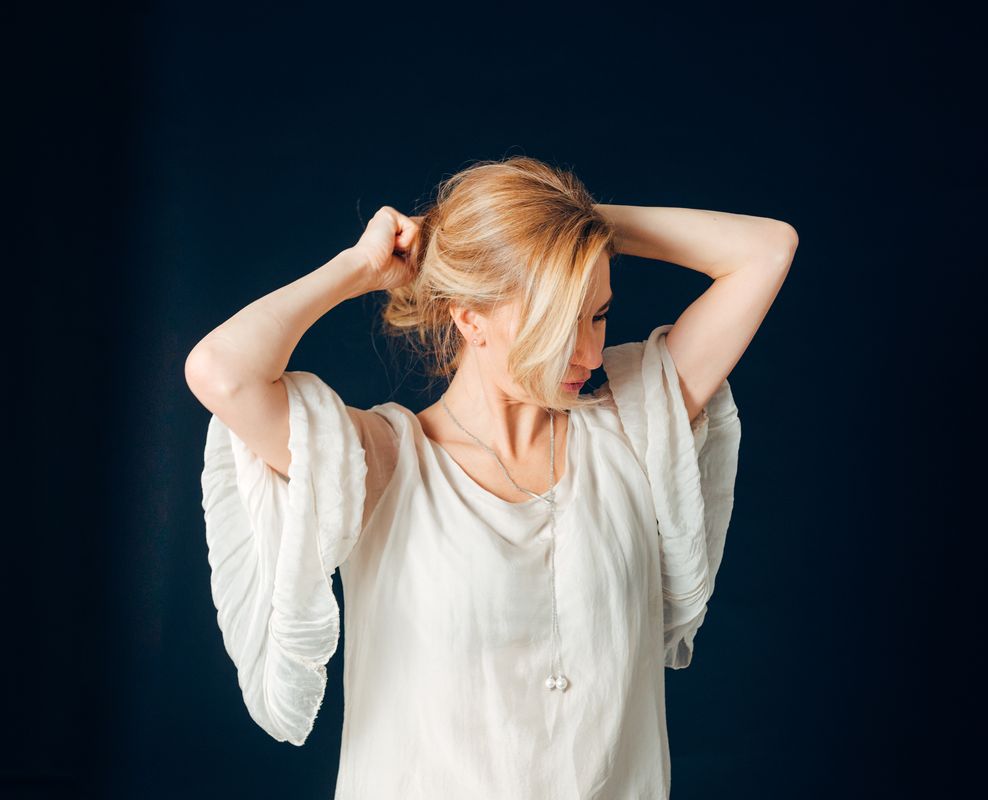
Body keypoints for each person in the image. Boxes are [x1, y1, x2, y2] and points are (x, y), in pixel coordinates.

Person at [185, 155, 797, 799]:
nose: (590, 352)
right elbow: (220, 372)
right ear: (469, 317)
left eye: (598, 315)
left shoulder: (633, 428)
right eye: (560, 322)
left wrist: (571, 225)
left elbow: (767, 249)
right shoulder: (384, 463)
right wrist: (360, 267)